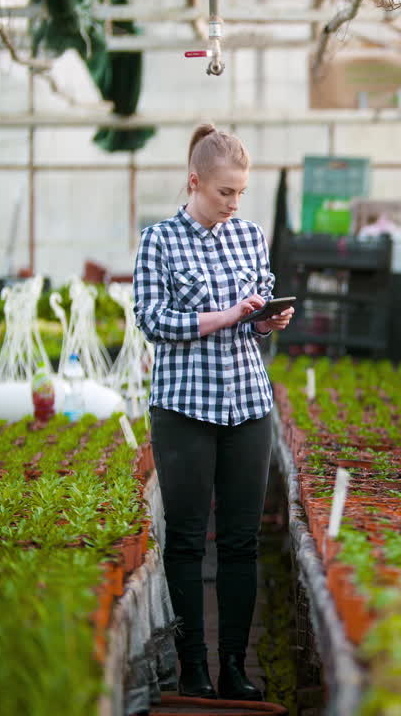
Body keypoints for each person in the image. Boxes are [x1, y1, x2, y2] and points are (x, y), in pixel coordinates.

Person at [133, 124, 294, 701]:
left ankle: (234, 666)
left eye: (241, 193)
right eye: (225, 192)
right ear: (195, 182)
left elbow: (257, 307)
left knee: (240, 540)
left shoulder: (249, 236)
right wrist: (227, 316)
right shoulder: (159, 241)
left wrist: (267, 319)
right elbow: (153, 321)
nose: (234, 203)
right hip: (184, 409)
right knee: (183, 540)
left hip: (247, 403)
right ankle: (192, 664)